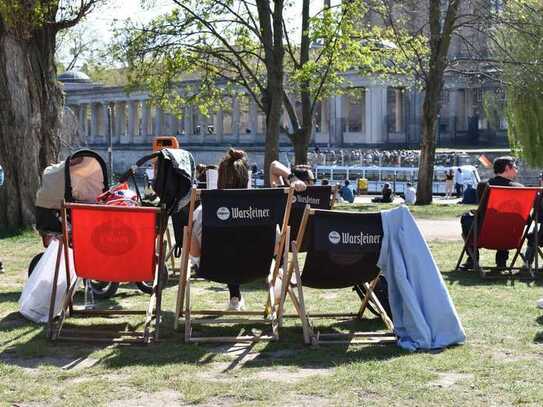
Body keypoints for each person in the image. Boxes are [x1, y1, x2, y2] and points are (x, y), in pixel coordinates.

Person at [190, 148, 255, 311]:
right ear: (246, 179)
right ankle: (235, 296)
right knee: (235, 251)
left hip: (213, 268)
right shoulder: (260, 209)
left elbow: (195, 253)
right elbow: (276, 246)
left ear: (220, 178)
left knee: (228, 251)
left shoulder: (204, 211)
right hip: (255, 267)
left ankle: (235, 296)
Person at [459, 156, 522, 271]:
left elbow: (483, 211)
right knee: (507, 220)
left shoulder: (484, 186)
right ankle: (501, 261)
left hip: (485, 235)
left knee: (466, 218)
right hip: (510, 236)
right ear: (507, 168)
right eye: (515, 167)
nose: (517, 169)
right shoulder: (520, 189)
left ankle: (473, 259)